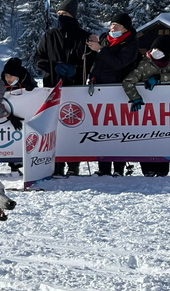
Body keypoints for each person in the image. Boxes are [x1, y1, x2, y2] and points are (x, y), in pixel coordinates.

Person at [34, 0, 92, 176]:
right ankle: (55, 163)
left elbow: (92, 60)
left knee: (74, 126)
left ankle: (74, 164)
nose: (60, 17)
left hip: (75, 88)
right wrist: (54, 66)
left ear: (73, 16)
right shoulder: (49, 36)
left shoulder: (84, 36)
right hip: (52, 87)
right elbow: (37, 59)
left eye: (64, 14)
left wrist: (77, 69)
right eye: (58, 14)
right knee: (54, 127)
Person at [88, 12, 138, 177]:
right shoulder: (104, 38)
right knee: (102, 129)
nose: (113, 27)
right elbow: (98, 61)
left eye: (117, 25)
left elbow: (119, 64)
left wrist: (101, 50)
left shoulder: (130, 44)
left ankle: (118, 168)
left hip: (118, 89)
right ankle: (103, 168)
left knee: (118, 129)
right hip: (100, 88)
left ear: (125, 28)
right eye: (111, 24)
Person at [122, 36, 170, 177]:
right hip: (146, 112)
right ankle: (147, 167)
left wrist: (159, 78)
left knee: (163, 137)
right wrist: (136, 98)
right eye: (154, 49)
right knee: (146, 136)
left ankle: (162, 167)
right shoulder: (145, 64)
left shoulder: (167, 63)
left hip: (164, 111)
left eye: (160, 50)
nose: (156, 52)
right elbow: (128, 81)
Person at [0, 57, 37, 174]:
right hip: (11, 117)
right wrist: (9, 116)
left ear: (18, 75)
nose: (8, 79)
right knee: (13, 138)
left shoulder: (27, 77)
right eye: (6, 75)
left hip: (28, 116)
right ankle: (14, 166)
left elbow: (38, 97)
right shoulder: (2, 82)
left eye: (10, 76)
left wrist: (34, 89)